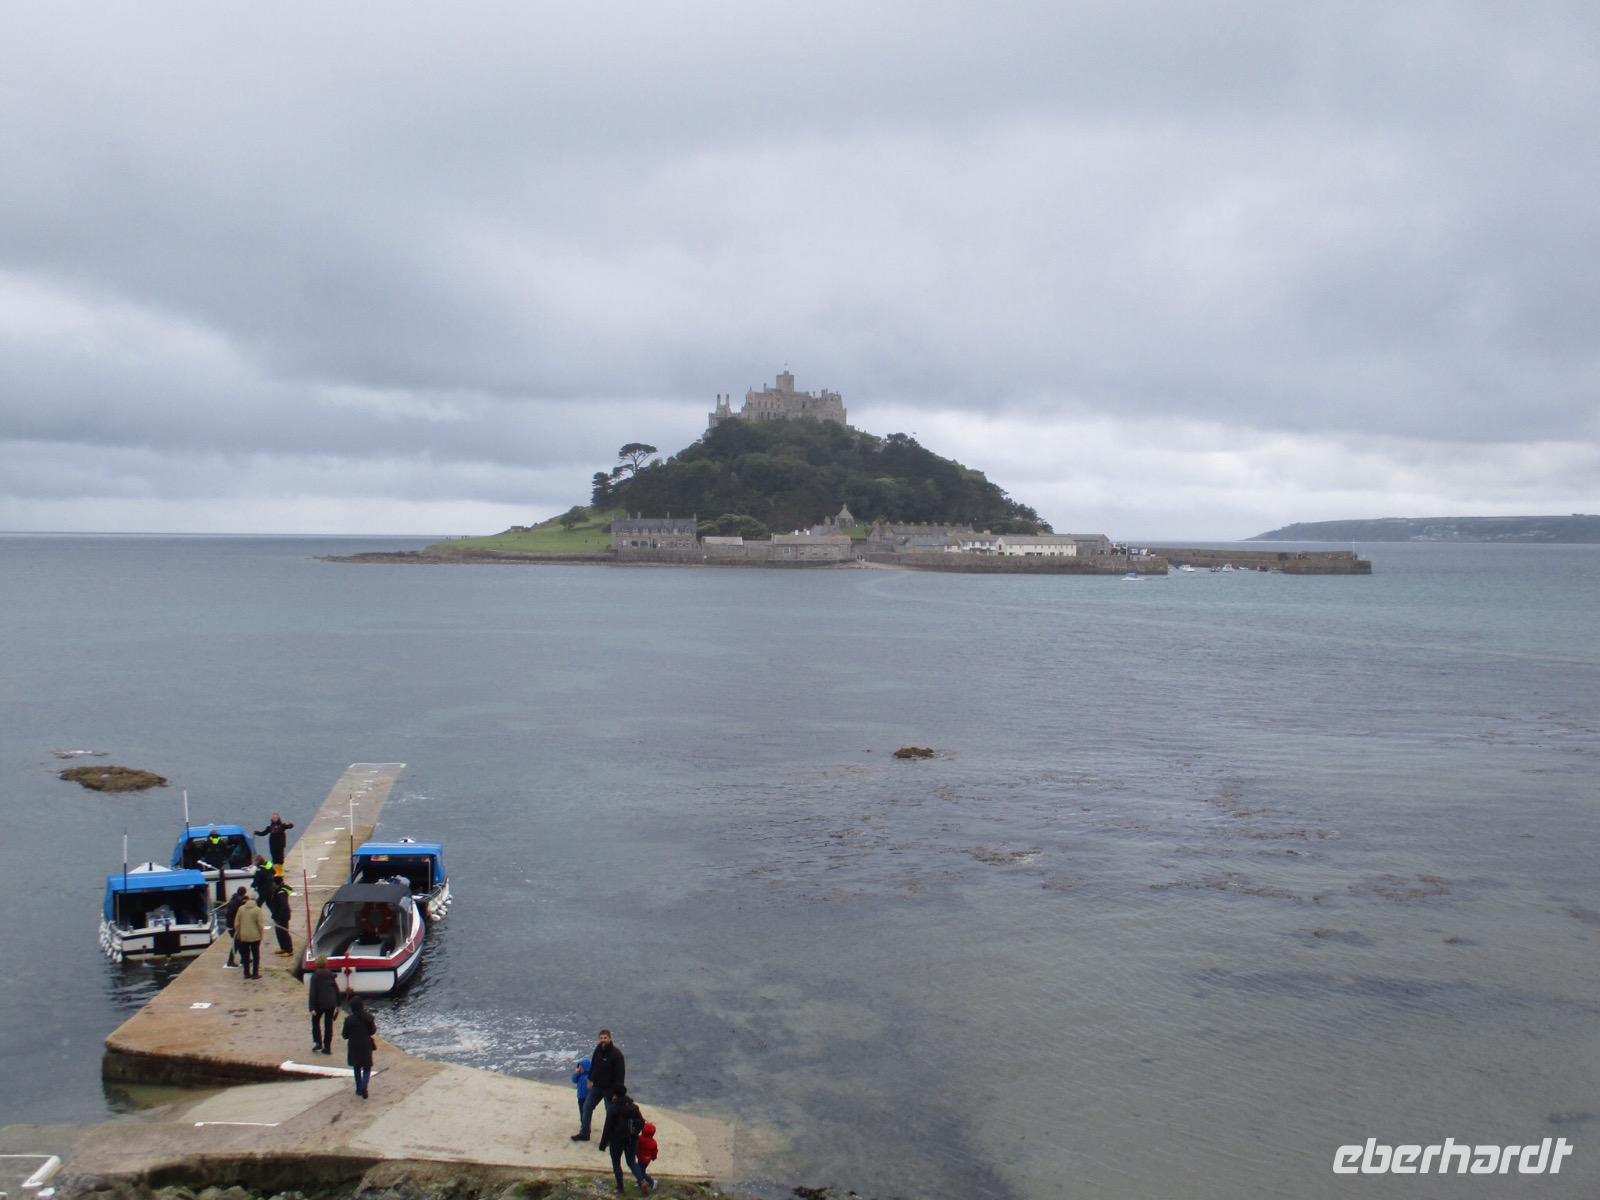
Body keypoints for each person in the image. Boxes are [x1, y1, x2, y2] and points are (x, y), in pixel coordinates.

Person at [572, 1028, 625, 1141]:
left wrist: (617, 1093)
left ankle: (611, 1138)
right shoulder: (598, 1050)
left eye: (605, 1038)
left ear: (610, 1039)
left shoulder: (617, 1055)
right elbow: (594, 1066)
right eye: (601, 1038)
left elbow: (620, 1075)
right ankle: (585, 1134)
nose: (603, 1040)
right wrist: (590, 1079)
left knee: (611, 1113)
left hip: (610, 1089)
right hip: (597, 1087)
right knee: (587, 1107)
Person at [598, 1086, 649, 1193]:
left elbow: (607, 1127)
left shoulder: (613, 1108)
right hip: (632, 1139)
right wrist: (635, 1133)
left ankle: (620, 1188)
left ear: (615, 1095)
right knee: (631, 1162)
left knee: (616, 1163)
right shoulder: (633, 1107)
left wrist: (603, 1144)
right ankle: (642, 1181)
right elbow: (641, 1122)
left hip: (616, 1140)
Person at [342, 995, 377, 1098]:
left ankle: (358, 1089)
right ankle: (364, 1086)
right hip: (366, 1045)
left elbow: (345, 1035)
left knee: (357, 1068)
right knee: (367, 1068)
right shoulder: (369, 1018)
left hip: (354, 1046)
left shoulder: (349, 1020)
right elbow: (372, 1031)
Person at [308, 955, 340, 1054]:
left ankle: (318, 1042)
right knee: (328, 1025)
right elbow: (336, 989)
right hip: (331, 1003)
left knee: (315, 1022)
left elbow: (313, 992)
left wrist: (311, 1007)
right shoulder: (330, 974)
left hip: (319, 1004)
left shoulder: (315, 976)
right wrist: (338, 1004)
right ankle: (327, 1047)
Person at [232, 893, 264, 979]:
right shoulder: (257, 910)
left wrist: (238, 934)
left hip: (243, 936)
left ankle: (246, 973)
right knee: (256, 955)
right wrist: (261, 935)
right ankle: (255, 973)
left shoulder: (241, 909)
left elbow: (237, 923)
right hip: (255, 936)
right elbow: (260, 925)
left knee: (245, 956)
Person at [221, 886, 248, 968]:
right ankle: (230, 961)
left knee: (240, 943)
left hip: (231, 925)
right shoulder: (236, 903)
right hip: (233, 926)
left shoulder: (235, 899)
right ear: (244, 894)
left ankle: (243, 959)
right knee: (236, 943)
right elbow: (233, 916)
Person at [266, 879, 294, 957]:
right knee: (278, 933)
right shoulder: (276, 890)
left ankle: (289, 950)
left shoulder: (281, 892)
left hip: (282, 917)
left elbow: (283, 906)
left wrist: (279, 916)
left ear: (276, 883)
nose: (271, 884)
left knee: (284, 933)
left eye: (273, 882)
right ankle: (283, 947)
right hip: (277, 915)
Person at [636, 1120, 659, 1195]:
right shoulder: (653, 1142)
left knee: (641, 1172)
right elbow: (655, 1151)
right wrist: (654, 1157)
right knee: (641, 1170)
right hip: (647, 1159)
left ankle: (652, 1181)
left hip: (641, 1158)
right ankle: (640, 1181)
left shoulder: (640, 1139)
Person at [572, 1057, 592, 1123]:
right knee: (581, 1110)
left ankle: (585, 1123)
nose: (579, 1069)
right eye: (579, 1067)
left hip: (587, 1097)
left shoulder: (589, 1076)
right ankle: (582, 1122)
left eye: (581, 1067)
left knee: (586, 1111)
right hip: (580, 1097)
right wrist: (576, 1073)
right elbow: (574, 1080)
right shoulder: (579, 1075)